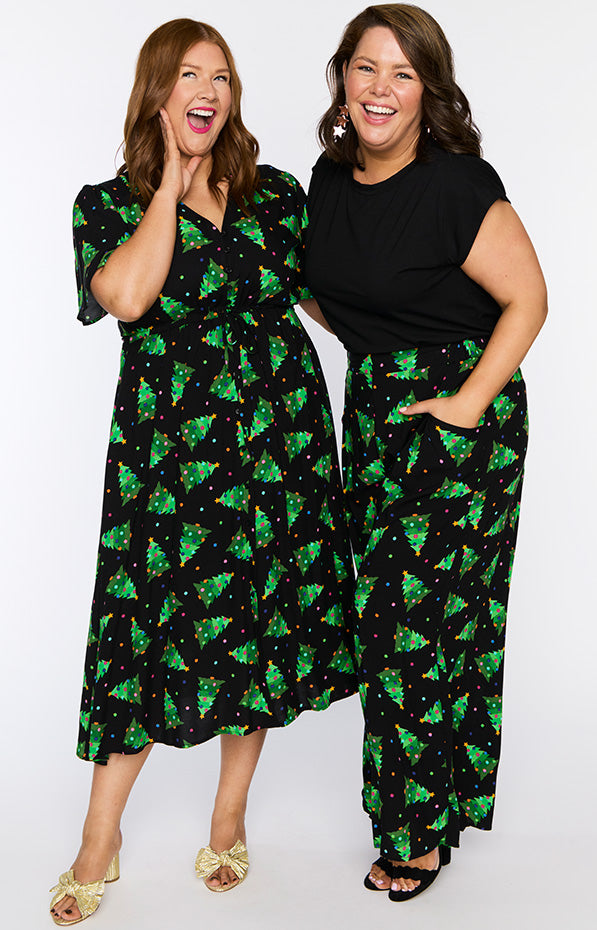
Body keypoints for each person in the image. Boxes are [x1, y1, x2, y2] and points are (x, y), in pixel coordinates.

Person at [51, 18, 355, 924]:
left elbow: (332, 303)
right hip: (172, 471)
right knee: (145, 641)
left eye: (222, 77)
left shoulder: (277, 197)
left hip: (280, 458)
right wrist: (170, 189)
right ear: (158, 92)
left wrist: (436, 347)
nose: (209, 91)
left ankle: (229, 818)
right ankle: (98, 838)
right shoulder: (106, 206)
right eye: (190, 75)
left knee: (255, 631)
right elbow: (129, 295)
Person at [303, 3, 547, 903]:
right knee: (397, 626)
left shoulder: (456, 184)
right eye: (367, 68)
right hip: (375, 414)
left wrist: (464, 406)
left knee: (420, 628)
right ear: (343, 77)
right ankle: (434, 808)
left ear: (426, 90)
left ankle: (414, 834)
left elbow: (529, 299)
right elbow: (325, 292)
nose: (381, 89)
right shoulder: (328, 182)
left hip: (460, 413)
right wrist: (376, 353)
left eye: (402, 74)